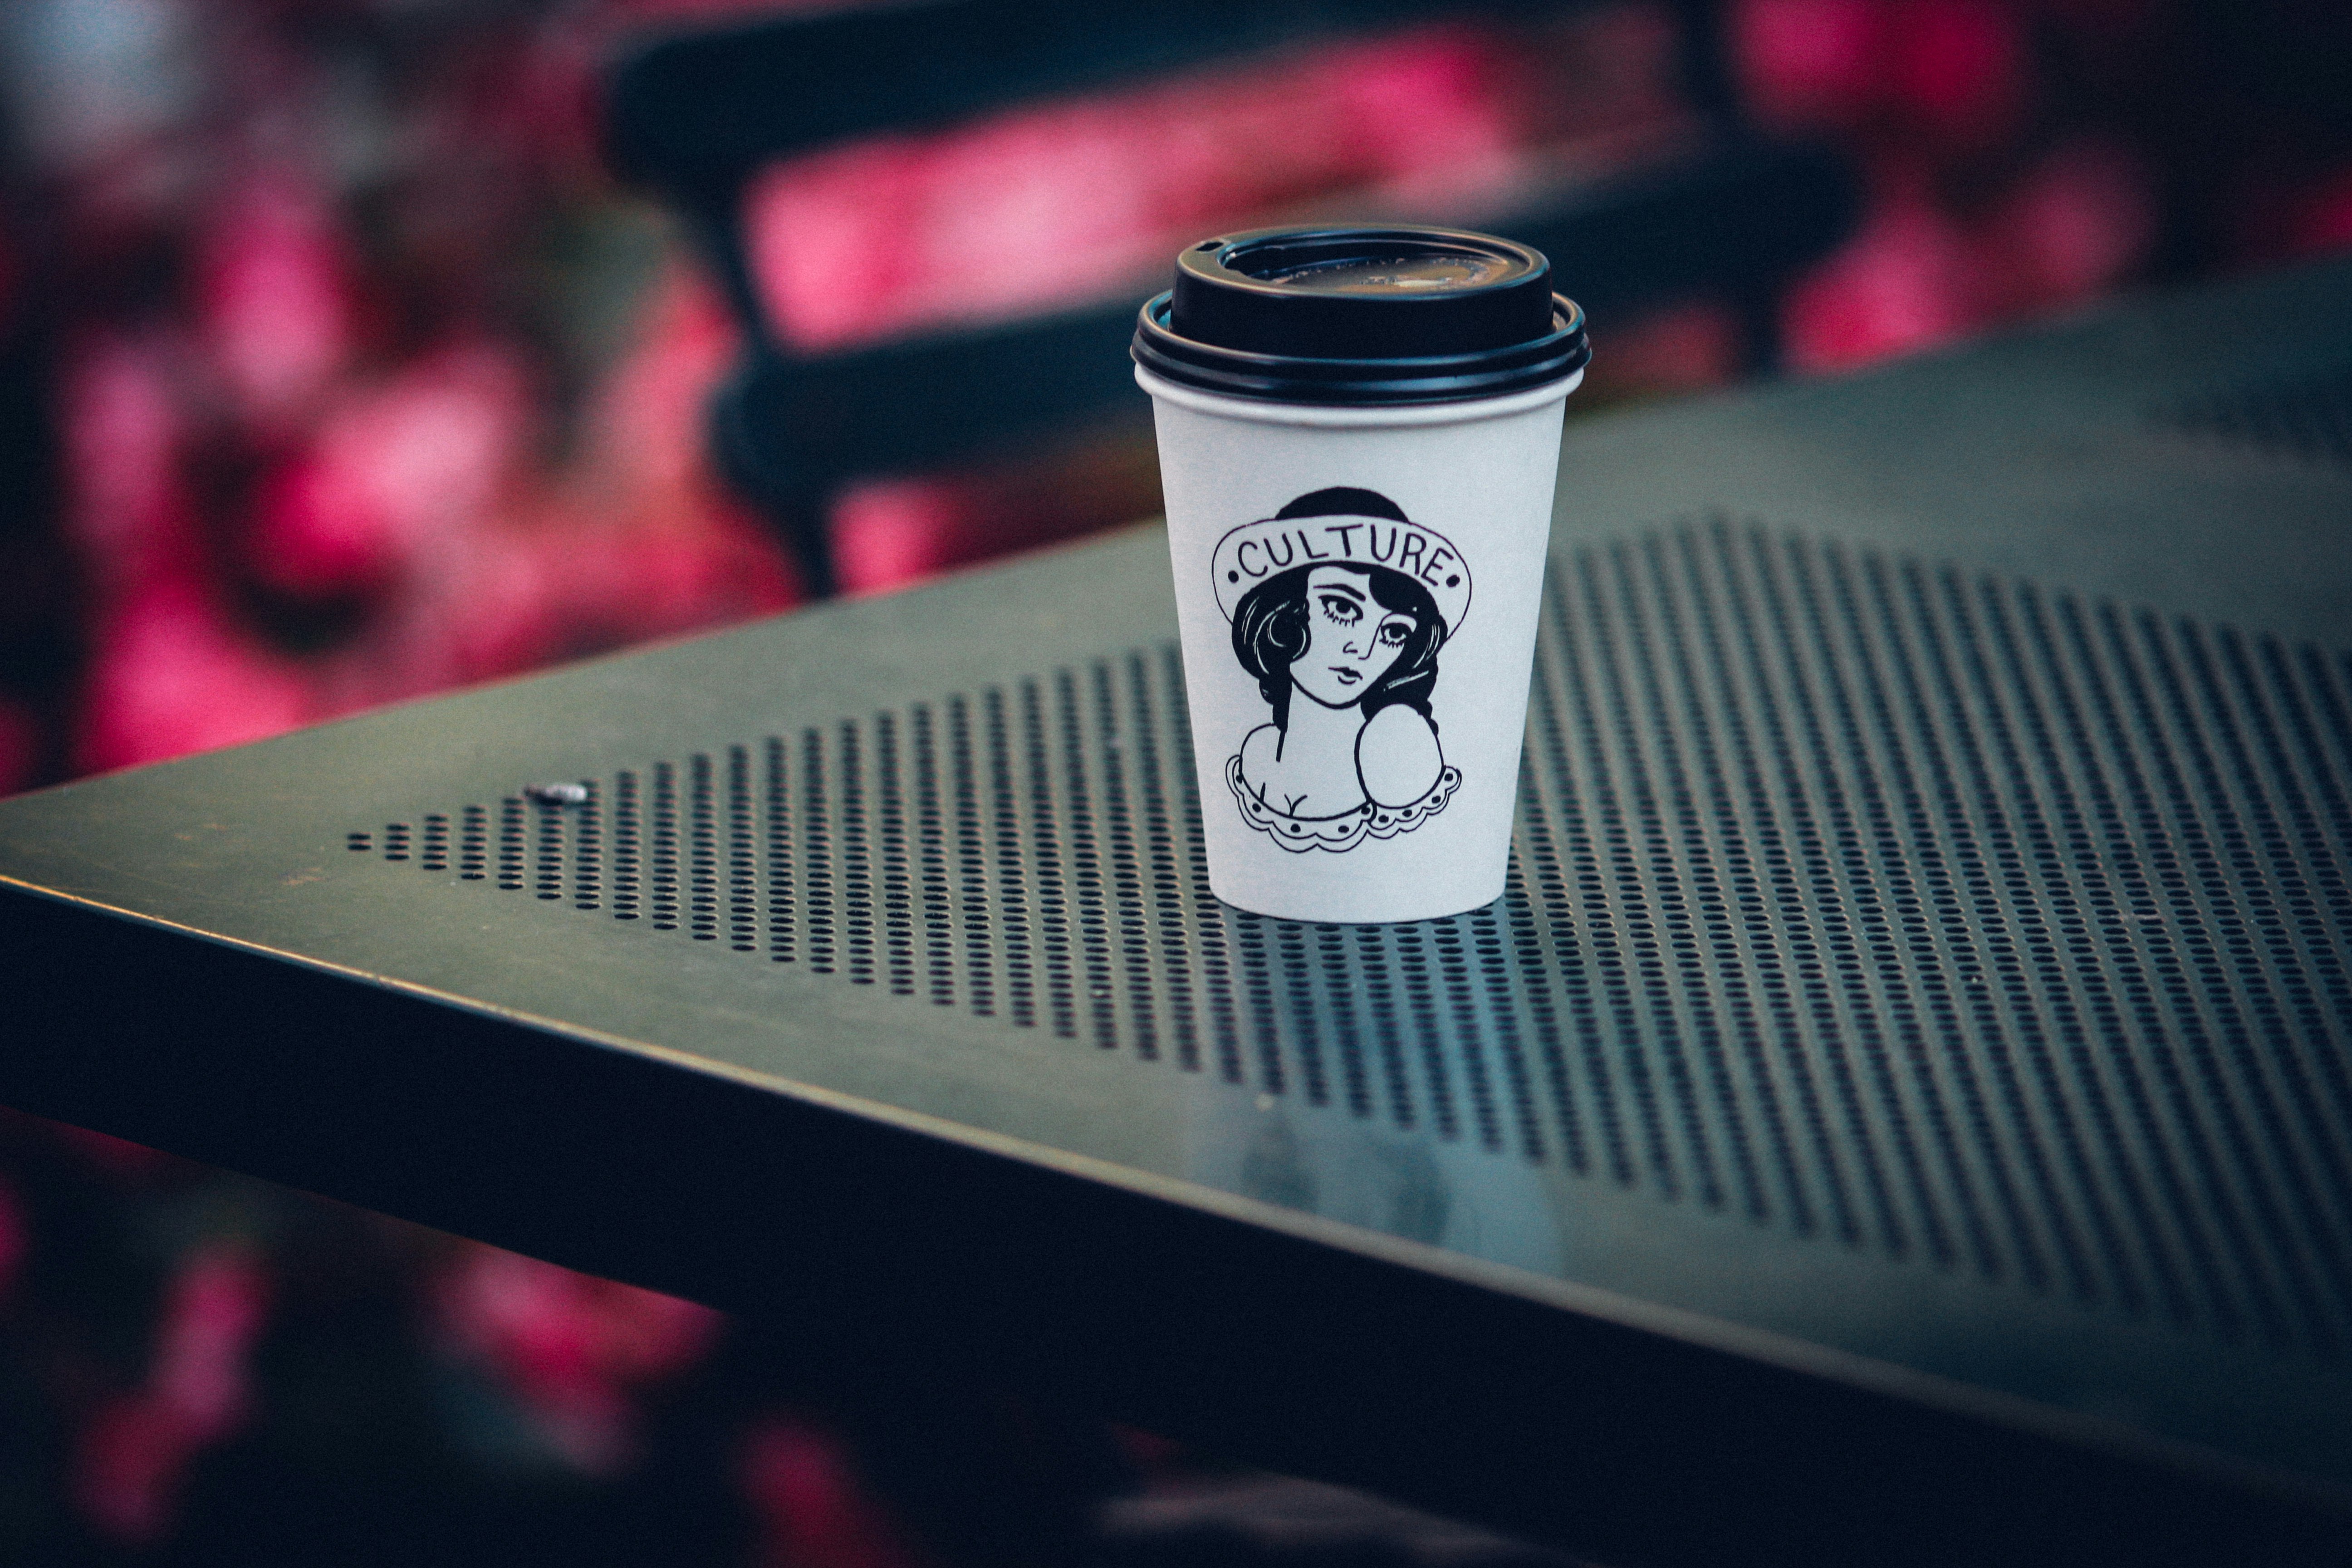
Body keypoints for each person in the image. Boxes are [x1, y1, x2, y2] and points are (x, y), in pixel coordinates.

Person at [1219, 488, 1465, 852]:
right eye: (1343, 608)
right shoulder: (1258, 754)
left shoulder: (1394, 750)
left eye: (1394, 632)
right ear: (1284, 609)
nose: (1363, 650)